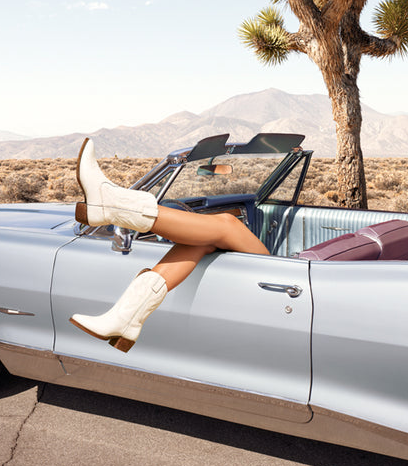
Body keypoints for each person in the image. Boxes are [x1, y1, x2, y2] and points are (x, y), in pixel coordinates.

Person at [69, 138, 269, 353]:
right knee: (203, 241)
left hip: (296, 272)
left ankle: (113, 205)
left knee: (228, 224)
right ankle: (124, 319)